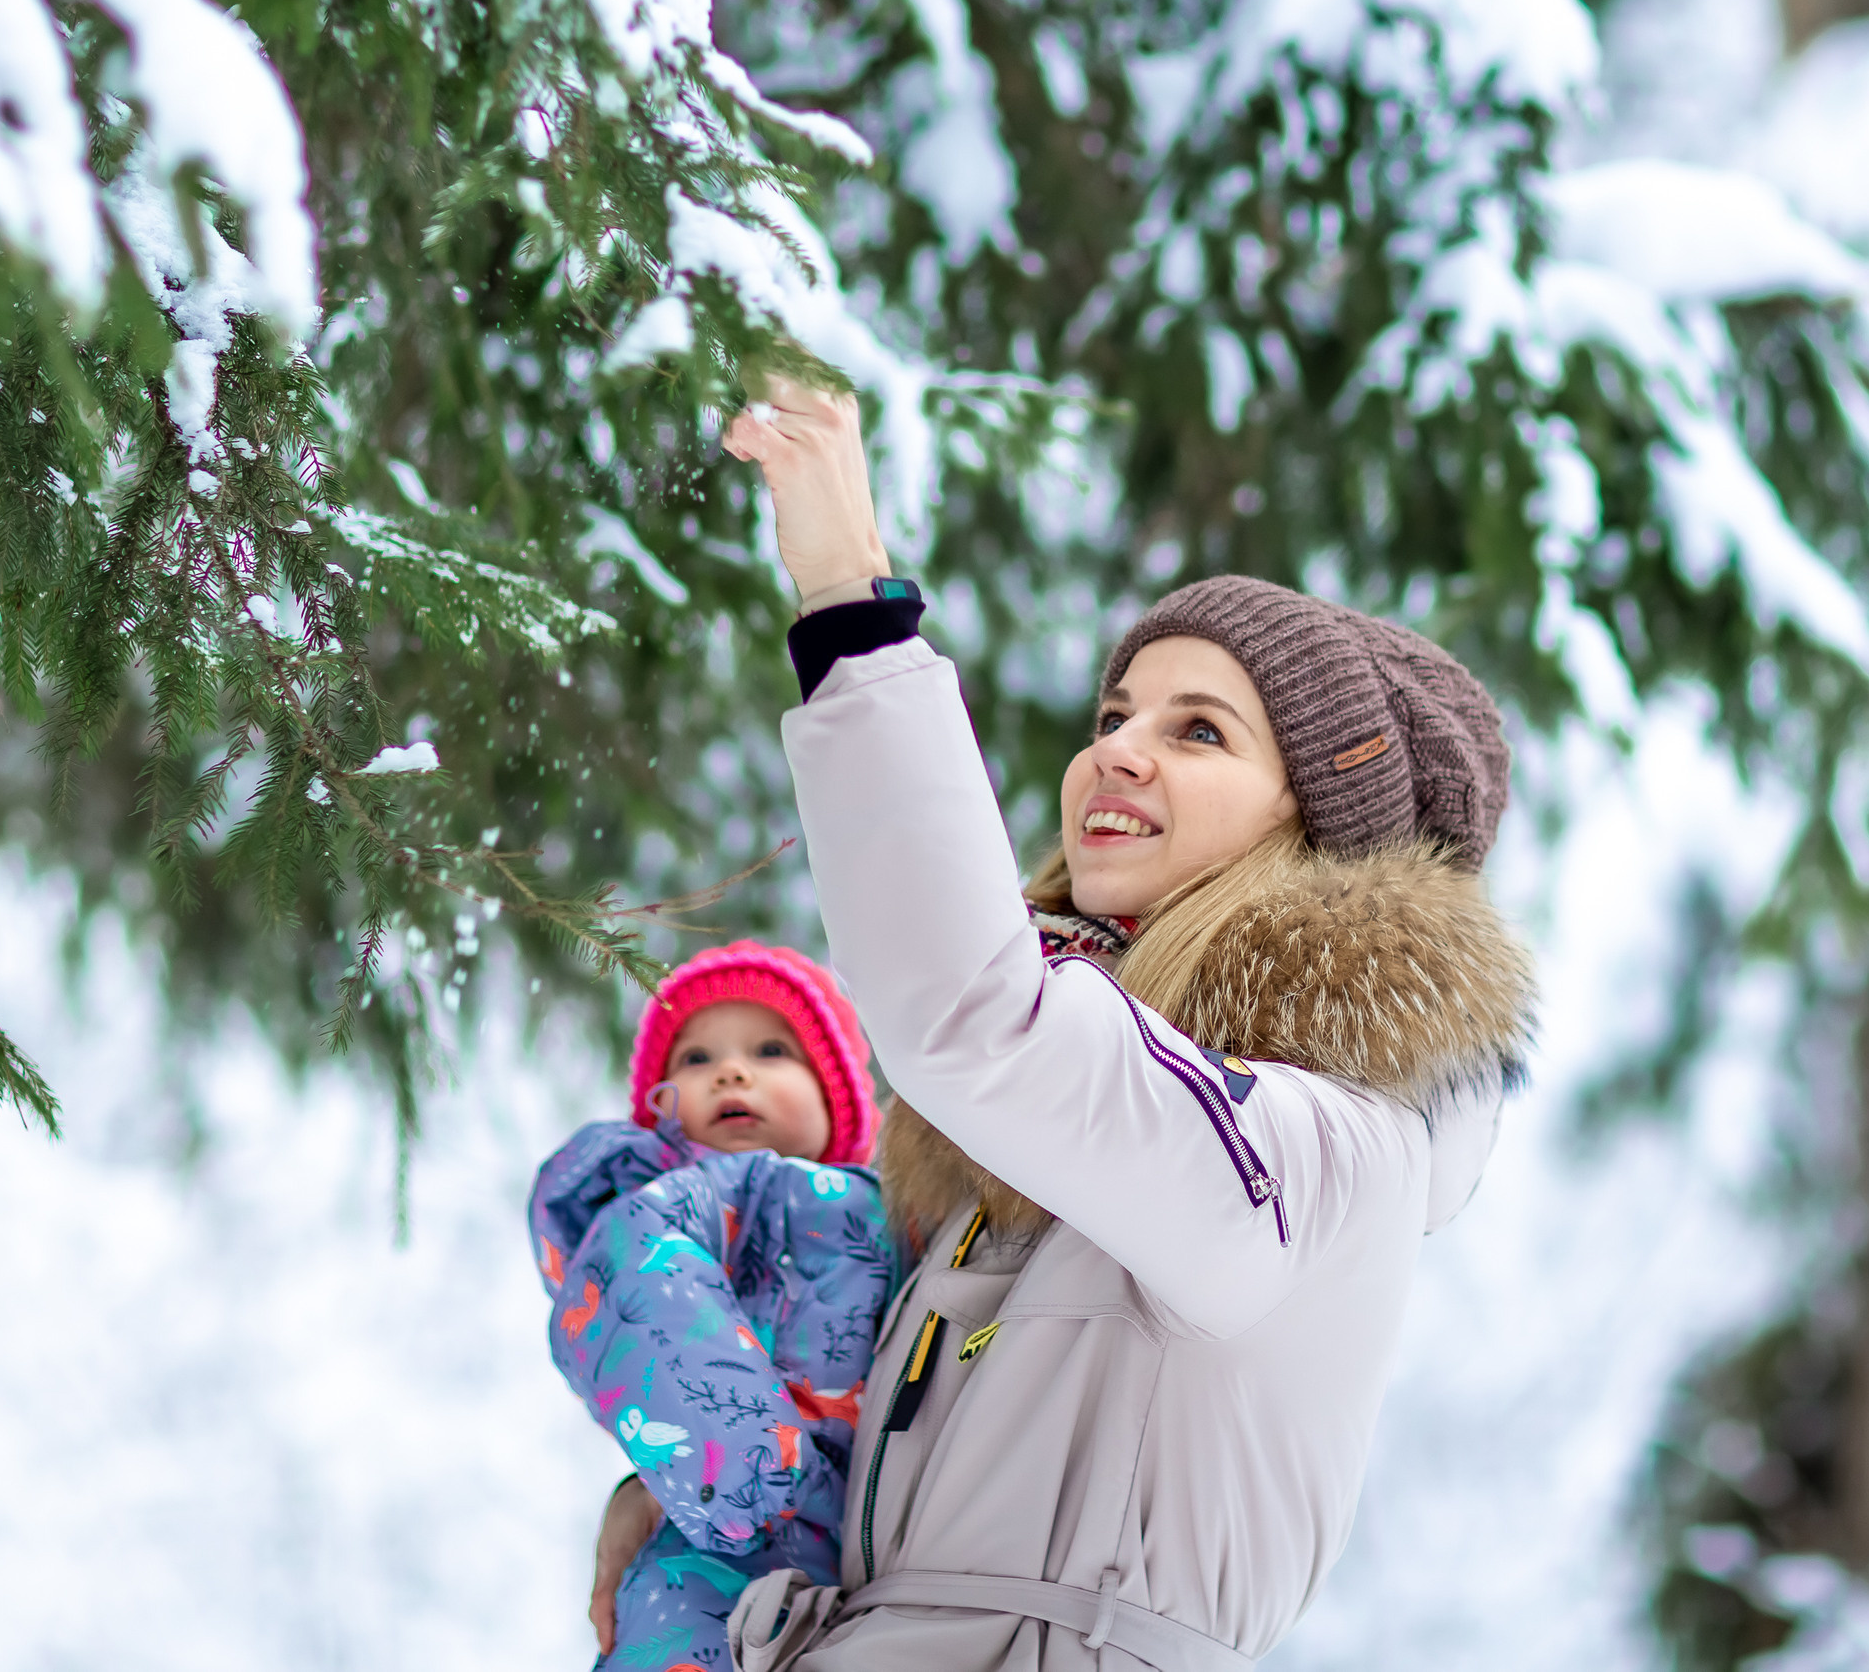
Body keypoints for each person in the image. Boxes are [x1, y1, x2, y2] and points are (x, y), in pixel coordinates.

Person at [575, 379, 1542, 1672]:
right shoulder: (1006, 1167)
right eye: (1114, 716)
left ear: (1314, 829)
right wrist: (701, 1497)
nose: (1118, 751)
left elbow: (982, 1018)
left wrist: (850, 596)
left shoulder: (1323, 1156)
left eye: (1198, 728)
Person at [531, 940, 896, 1671]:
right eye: (696, 1059)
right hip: (721, 1548)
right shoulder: (682, 1200)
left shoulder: (894, 1211)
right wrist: (747, 1472)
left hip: (887, 1553)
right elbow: (632, 1276)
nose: (732, 1070)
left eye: (771, 1049)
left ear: (838, 1099)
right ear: (661, 1112)